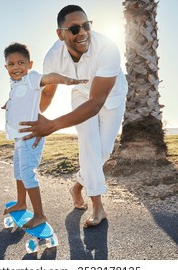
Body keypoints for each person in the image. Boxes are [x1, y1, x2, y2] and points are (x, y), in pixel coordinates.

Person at [19, 5, 127, 228]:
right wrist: (27, 115)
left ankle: (77, 185)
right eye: (75, 28)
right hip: (81, 94)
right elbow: (48, 93)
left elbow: (96, 102)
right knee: (89, 144)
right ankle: (98, 207)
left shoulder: (107, 48)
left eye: (86, 26)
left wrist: (52, 126)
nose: (83, 33)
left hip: (111, 98)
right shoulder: (52, 59)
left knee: (103, 152)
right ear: (60, 34)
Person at [2, 42, 88, 229]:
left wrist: (66, 80)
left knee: (27, 173)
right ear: (6, 67)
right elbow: (19, 100)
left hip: (30, 136)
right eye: (11, 64)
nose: (16, 67)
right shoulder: (15, 84)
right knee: (18, 173)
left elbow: (49, 78)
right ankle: (21, 202)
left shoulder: (31, 79)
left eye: (21, 63)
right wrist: (8, 104)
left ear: (30, 64)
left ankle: (40, 215)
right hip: (19, 137)